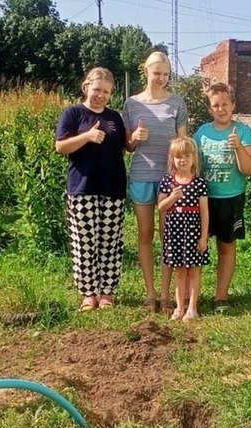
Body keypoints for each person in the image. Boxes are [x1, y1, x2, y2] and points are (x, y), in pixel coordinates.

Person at [55, 67, 127, 312]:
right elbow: (61, 146)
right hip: (82, 188)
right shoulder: (73, 113)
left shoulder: (115, 117)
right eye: (97, 90)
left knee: (110, 242)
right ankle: (88, 293)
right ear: (86, 87)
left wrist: (136, 138)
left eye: (106, 92)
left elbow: (126, 147)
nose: (101, 95)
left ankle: (107, 293)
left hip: (113, 187)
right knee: (84, 242)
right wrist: (86, 136)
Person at [122, 51, 188, 314]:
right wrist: (135, 136)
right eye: (156, 73)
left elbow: (184, 144)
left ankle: (165, 294)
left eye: (165, 74)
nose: (161, 78)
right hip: (141, 175)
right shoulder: (132, 104)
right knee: (146, 235)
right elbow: (127, 146)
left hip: (169, 180)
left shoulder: (177, 103)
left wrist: (183, 174)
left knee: (168, 237)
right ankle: (150, 294)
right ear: (146, 72)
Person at [194, 82, 251, 313]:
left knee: (226, 246)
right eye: (215, 105)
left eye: (225, 104)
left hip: (230, 198)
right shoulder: (201, 133)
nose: (220, 109)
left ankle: (221, 296)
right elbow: (194, 166)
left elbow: (250, 169)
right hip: (202, 199)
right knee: (197, 247)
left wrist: (239, 148)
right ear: (210, 109)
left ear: (233, 106)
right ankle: (194, 295)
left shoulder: (244, 132)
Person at [157, 137, 209, 321]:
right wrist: (172, 197)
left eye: (187, 156)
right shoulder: (167, 182)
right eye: (178, 156)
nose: (183, 160)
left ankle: (192, 308)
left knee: (194, 270)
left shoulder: (199, 183)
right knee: (179, 271)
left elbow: (204, 212)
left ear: (193, 158)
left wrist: (204, 237)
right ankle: (179, 308)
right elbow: (161, 207)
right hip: (175, 234)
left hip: (194, 233)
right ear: (172, 158)